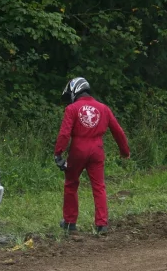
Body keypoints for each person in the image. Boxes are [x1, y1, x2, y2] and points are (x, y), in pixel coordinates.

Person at [54, 77, 130, 235]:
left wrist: (58, 153)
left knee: (71, 184)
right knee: (99, 186)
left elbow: (64, 133)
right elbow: (118, 131)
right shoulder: (103, 108)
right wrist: (124, 151)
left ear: (75, 90)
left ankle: (70, 223)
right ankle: (102, 225)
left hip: (78, 149)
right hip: (97, 148)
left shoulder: (72, 109)